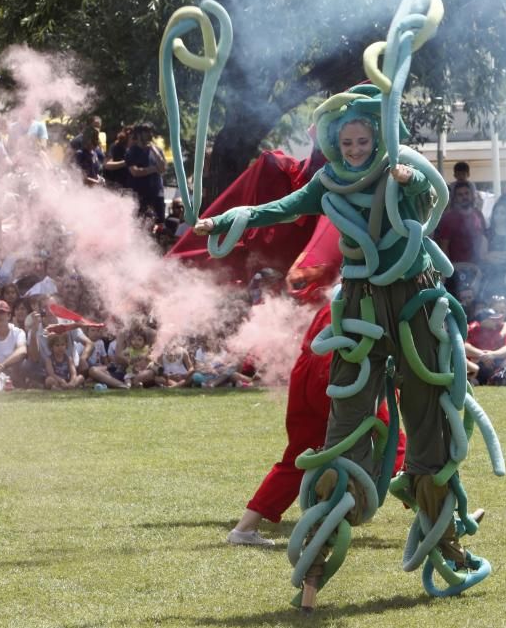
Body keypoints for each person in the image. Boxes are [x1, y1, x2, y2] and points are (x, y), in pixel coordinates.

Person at [196, 83, 485, 600]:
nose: (354, 150)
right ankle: (320, 549)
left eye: (361, 141)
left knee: (429, 423)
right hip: (361, 305)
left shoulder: (400, 169)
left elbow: (428, 199)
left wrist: (408, 180)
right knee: (344, 428)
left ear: (376, 138)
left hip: (415, 300)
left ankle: (446, 539)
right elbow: (279, 207)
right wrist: (230, 219)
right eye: (346, 142)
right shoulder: (328, 181)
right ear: (335, 142)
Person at [227, 302, 406, 547]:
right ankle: (437, 516)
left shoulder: (337, 297)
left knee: (298, 455)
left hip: (307, 372)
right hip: (340, 371)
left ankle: (244, 528)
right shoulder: (375, 292)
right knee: (392, 440)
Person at [464, 300, 506, 385]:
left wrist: (492, 355)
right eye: (494, 318)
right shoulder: (473, 328)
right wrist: (484, 355)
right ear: (484, 321)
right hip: (479, 366)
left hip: (502, 366)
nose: (498, 319)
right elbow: (463, 346)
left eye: (501, 312)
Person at [434, 180, 487, 264]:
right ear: (455, 198)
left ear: (472, 195)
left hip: (479, 266)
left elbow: (484, 238)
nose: (464, 197)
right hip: (458, 268)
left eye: (467, 193)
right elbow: (444, 247)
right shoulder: (448, 218)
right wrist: (450, 271)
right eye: (460, 195)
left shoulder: (478, 214)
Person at [125, 123, 166, 220]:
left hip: (157, 195)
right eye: (146, 132)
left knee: (159, 226)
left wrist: (154, 151)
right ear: (138, 134)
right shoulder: (132, 151)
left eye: (150, 131)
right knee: (140, 225)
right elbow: (135, 172)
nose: (150, 134)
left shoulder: (157, 150)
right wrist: (155, 169)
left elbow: (163, 168)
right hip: (140, 196)